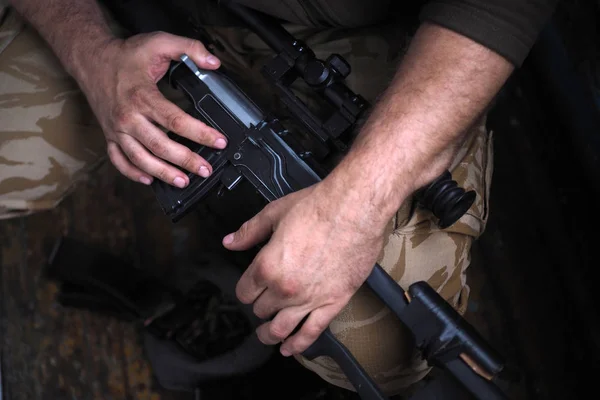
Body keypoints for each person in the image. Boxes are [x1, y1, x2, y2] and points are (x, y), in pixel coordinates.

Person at [0, 0, 557, 395]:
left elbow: (499, 9)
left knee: (386, 346)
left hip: (364, 32)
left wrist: (355, 202)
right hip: (119, 22)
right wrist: (89, 53)